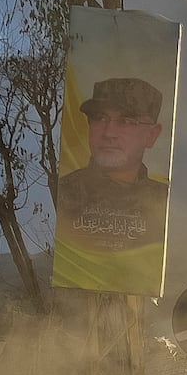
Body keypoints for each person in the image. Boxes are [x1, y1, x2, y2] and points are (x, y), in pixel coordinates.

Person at [58, 77, 170, 253]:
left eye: (126, 121)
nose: (109, 133)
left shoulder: (169, 205)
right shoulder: (58, 195)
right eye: (100, 118)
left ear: (152, 135)